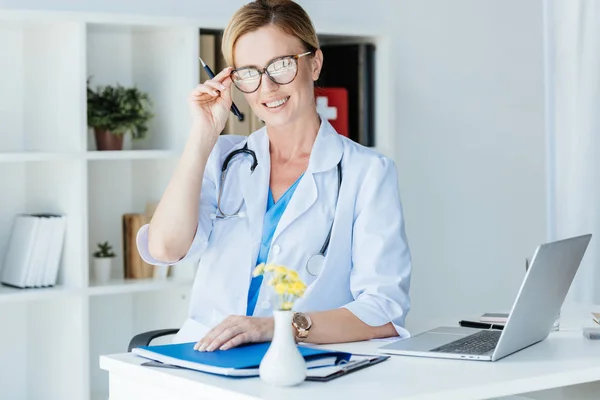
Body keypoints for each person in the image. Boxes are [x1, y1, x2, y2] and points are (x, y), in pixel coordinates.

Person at [137, 0, 412, 352]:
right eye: (248, 72)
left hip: (301, 364)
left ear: (314, 63)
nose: (267, 87)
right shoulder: (222, 160)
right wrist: (202, 136)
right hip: (204, 360)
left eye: (280, 66)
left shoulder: (368, 173)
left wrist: (277, 327)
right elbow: (164, 248)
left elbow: (383, 312)